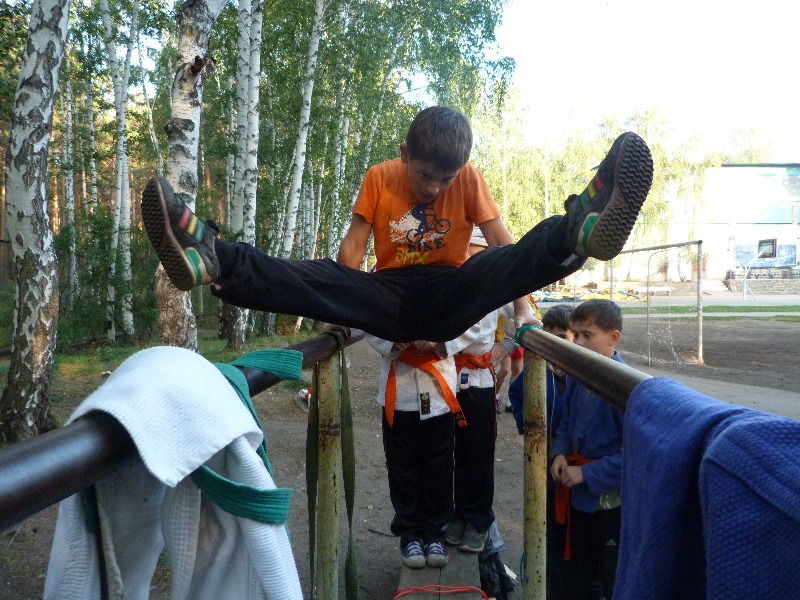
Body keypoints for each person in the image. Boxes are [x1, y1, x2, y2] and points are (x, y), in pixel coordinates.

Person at [141, 106, 654, 344]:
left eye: (445, 179)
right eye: (426, 176)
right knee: (318, 275)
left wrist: (523, 311)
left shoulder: (468, 178)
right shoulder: (380, 177)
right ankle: (214, 260)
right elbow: (353, 249)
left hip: (450, 293)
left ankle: (575, 231)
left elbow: (504, 249)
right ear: (406, 155)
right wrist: (338, 303)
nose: (434, 188)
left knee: (493, 265)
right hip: (389, 297)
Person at [365, 332, 464, 569]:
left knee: (439, 466)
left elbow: (469, 322)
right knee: (402, 466)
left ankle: (436, 533)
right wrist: (390, 341)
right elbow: (368, 321)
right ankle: (410, 535)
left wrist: (440, 341)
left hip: (438, 390)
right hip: (401, 391)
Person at [550, 299, 625, 600]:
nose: (578, 342)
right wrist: (559, 452)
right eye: (576, 334)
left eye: (587, 335)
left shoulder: (625, 388)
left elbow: (635, 453)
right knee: (578, 570)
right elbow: (567, 422)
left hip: (609, 503)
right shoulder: (579, 374)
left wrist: (588, 473)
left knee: (611, 575)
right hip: (576, 495)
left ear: (613, 337)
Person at [508, 303, 574, 600]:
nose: (555, 344)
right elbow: (516, 393)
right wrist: (527, 427)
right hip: (545, 458)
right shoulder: (538, 369)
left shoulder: (580, 372)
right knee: (547, 521)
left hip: (574, 462)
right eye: (550, 337)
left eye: (562, 337)